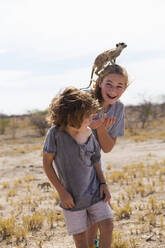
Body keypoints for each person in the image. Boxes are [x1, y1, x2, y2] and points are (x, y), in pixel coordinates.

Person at [43, 87, 114, 248]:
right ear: (72, 116)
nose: (91, 119)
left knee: (108, 225)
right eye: (87, 116)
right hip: (72, 199)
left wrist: (103, 184)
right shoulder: (55, 135)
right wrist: (62, 192)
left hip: (96, 192)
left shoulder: (88, 133)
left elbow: (96, 160)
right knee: (81, 239)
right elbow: (47, 164)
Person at [86, 64, 129, 248]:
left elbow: (108, 147)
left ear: (124, 88)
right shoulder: (84, 99)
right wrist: (89, 125)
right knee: (95, 212)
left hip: (95, 160)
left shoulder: (117, 108)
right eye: (109, 84)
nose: (113, 90)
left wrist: (102, 126)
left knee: (99, 210)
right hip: (71, 160)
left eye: (119, 86)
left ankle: (93, 243)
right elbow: (66, 134)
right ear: (99, 82)